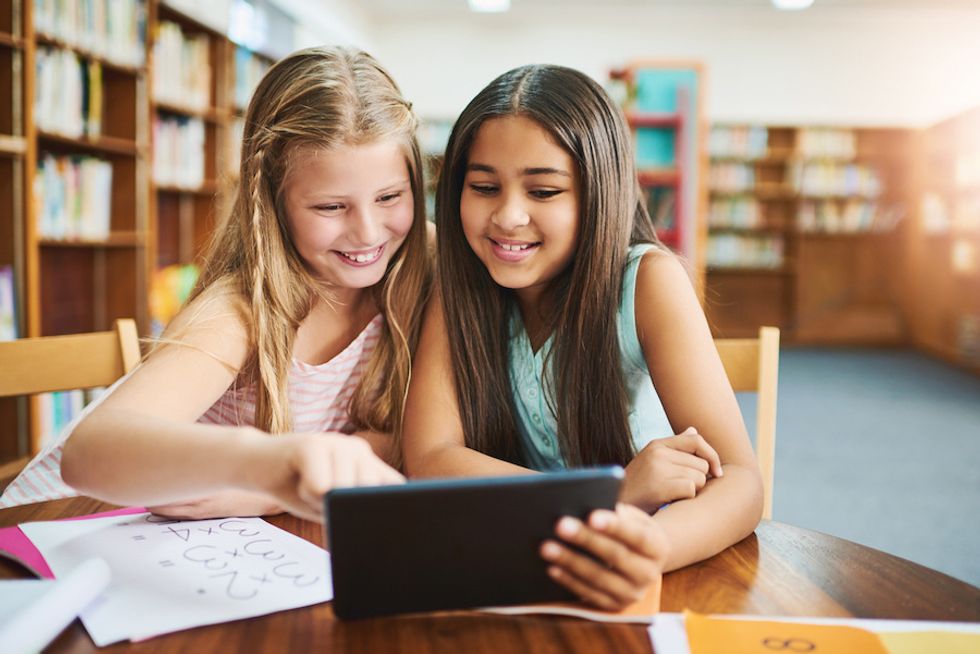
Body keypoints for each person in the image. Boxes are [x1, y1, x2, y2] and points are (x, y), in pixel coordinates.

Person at [2, 46, 430, 522]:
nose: (369, 232)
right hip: (57, 526)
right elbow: (88, 452)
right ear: (271, 201)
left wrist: (268, 491)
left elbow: (405, 435)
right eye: (331, 207)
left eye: (390, 196)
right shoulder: (238, 310)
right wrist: (268, 465)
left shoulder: (420, 266)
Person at [402, 64, 763, 610]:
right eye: (483, 187)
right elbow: (429, 458)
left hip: (645, 572)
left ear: (600, 194)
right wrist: (610, 493)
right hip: (517, 561)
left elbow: (741, 480)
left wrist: (642, 546)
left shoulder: (648, 281)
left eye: (544, 190)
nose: (508, 215)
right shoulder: (458, 287)